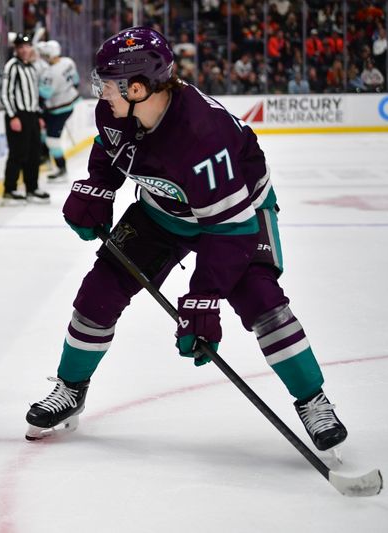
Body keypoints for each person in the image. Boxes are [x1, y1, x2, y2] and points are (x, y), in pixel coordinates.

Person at [24, 27, 349, 455]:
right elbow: (110, 150)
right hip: (163, 212)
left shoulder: (202, 136)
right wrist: (97, 188)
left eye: (107, 83)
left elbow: (229, 231)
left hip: (239, 216)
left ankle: (312, 399)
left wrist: (204, 297)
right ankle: (70, 389)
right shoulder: (114, 110)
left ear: (137, 88)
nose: (100, 91)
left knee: (262, 301)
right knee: (98, 293)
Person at [0, 33, 49, 205]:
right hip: (18, 115)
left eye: (27, 46)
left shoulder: (31, 67)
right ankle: (9, 189)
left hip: (31, 115)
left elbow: (34, 94)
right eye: (20, 47)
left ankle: (32, 187)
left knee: (34, 153)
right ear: (16, 49)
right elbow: (6, 93)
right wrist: (13, 115)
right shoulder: (12, 66)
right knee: (18, 153)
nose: (24, 50)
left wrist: (38, 115)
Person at [36, 40, 79, 182]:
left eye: (44, 54)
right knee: (43, 132)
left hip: (57, 108)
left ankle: (62, 169)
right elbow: (76, 81)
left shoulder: (50, 72)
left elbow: (45, 94)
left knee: (52, 140)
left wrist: (35, 86)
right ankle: (45, 158)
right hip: (69, 103)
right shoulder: (68, 61)